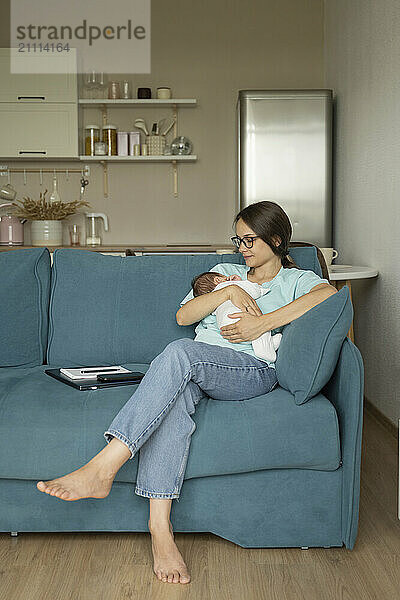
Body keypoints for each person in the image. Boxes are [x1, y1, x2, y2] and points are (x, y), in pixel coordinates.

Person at [36, 200, 337, 585]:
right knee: (173, 400)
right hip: (199, 364)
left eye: (249, 240)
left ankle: (103, 467)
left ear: (275, 240)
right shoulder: (225, 273)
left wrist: (263, 323)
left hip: (251, 369)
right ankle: (160, 531)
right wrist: (226, 295)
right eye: (238, 240)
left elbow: (328, 296)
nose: (242, 249)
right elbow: (184, 316)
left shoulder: (294, 281)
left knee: (179, 353)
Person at [191, 271, 282, 361]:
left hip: (224, 323)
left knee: (242, 337)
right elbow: (252, 291)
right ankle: (264, 349)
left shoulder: (212, 302)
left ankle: (267, 344)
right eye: (224, 276)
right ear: (218, 280)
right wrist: (241, 282)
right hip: (236, 316)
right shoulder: (227, 287)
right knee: (257, 326)